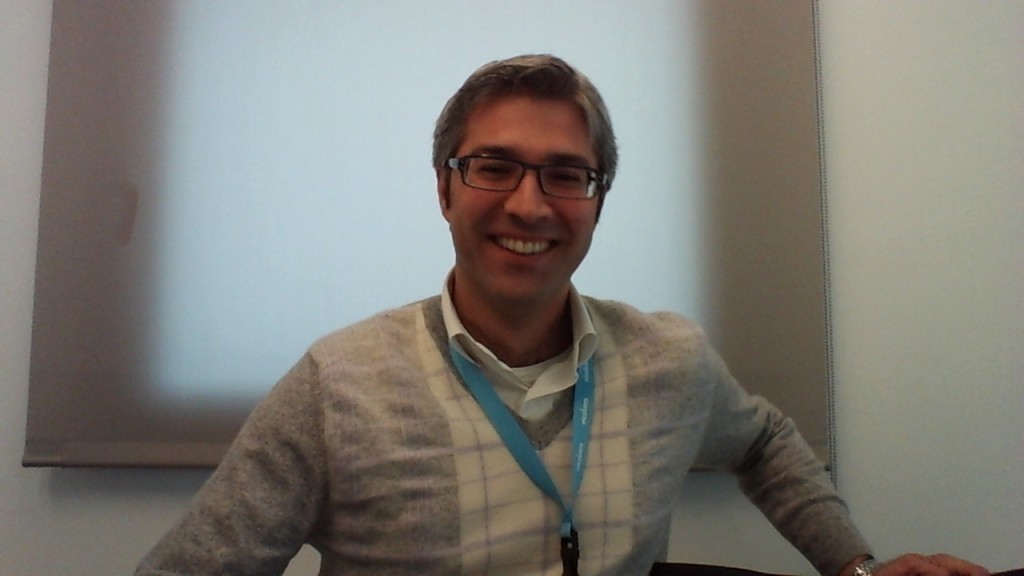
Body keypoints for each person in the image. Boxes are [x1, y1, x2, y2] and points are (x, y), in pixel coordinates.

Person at [135, 54, 989, 576]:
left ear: (597, 199)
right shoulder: (340, 385)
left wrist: (855, 566)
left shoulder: (668, 361)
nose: (529, 204)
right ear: (444, 189)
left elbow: (763, 439)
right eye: (493, 166)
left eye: (565, 174)